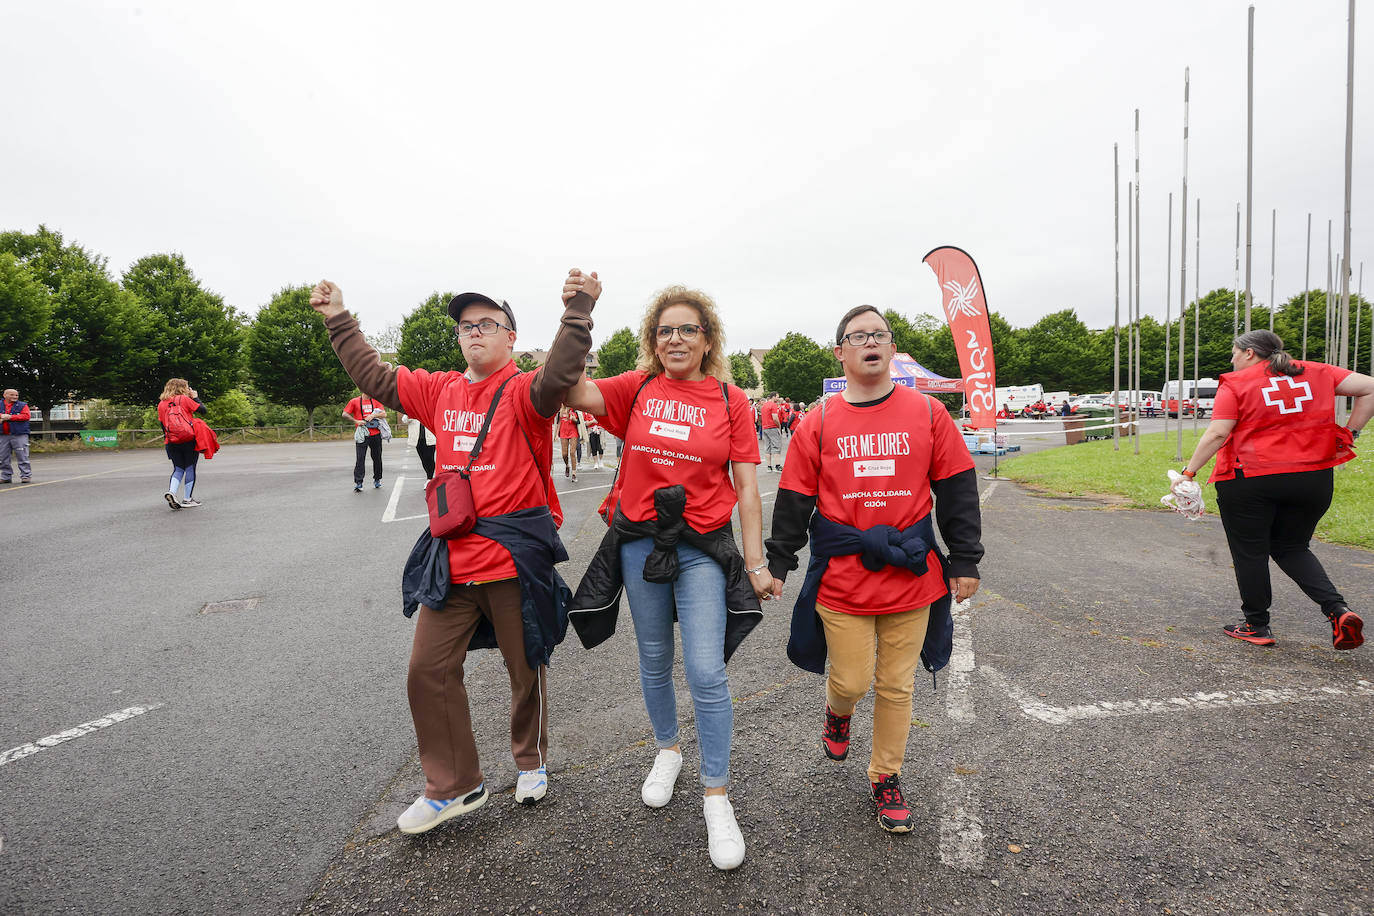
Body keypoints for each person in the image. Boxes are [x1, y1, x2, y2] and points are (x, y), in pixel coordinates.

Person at [309, 268, 599, 834]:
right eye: (466, 325)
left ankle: (530, 759)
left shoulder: (524, 391)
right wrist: (339, 320)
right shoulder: (440, 389)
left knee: (526, 665)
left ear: (511, 337)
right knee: (427, 670)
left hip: (513, 557)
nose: (474, 333)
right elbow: (374, 376)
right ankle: (454, 785)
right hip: (453, 559)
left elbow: (561, 370)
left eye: (488, 324)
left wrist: (578, 310)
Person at [564, 284, 772, 871]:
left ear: (709, 339)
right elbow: (570, 387)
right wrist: (578, 313)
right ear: (652, 342)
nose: (675, 338)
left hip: (703, 547)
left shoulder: (731, 400)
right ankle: (667, 750)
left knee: (706, 669)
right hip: (639, 543)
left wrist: (755, 564)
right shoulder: (638, 388)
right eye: (665, 331)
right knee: (653, 656)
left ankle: (717, 795)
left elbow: (750, 489)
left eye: (687, 329)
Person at [765, 305, 984, 833]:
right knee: (852, 679)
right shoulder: (817, 421)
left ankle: (886, 775)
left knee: (896, 686)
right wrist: (778, 562)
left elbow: (957, 488)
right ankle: (838, 711)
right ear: (841, 352)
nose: (870, 341)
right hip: (844, 576)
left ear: (891, 348)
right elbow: (794, 499)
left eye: (879, 334)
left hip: (912, 573)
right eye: (857, 335)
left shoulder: (929, 414)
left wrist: (965, 558)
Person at [1178, 329, 1374, 650]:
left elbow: (1217, 433)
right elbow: (1370, 388)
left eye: (1234, 352)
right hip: (1313, 477)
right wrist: (1351, 432)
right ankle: (1338, 610)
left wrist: (1189, 471)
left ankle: (1257, 624)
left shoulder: (1237, 383)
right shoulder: (1319, 372)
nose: (1232, 359)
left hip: (1251, 477)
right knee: (1292, 547)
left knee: (1251, 551)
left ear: (1250, 353)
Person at [157, 379, 208, 509]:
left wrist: (167, 442)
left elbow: (163, 425)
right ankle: (187, 499)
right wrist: (196, 398)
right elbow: (203, 410)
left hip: (172, 440)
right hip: (188, 439)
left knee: (178, 468)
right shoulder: (184, 400)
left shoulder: (161, 404)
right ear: (182, 388)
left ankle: (172, 492)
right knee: (190, 467)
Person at [344, 393, 388, 492]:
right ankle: (359, 483)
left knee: (377, 458)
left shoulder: (376, 400)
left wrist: (373, 415)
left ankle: (377, 479)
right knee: (360, 458)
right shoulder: (354, 401)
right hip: (362, 434)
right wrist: (356, 421)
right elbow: (345, 414)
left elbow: (384, 414)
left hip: (375, 434)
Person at [0, 388, 32, 484]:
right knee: (2, 457)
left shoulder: (23, 405)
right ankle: (6, 476)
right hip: (3, 435)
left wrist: (10, 417)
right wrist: (2, 416)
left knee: (22, 455)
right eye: (12, 395)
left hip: (19, 434)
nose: (15, 397)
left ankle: (25, 476)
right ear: (5, 395)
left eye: (16, 395)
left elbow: (26, 416)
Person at [405, 413, 437, 479]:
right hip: (418, 439)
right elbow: (405, 420)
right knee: (423, 459)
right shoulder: (413, 409)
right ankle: (430, 474)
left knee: (429, 457)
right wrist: (410, 414)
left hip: (430, 438)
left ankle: (429, 477)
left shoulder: (429, 409)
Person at [556, 406, 580, 481]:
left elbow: (579, 421)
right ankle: (567, 465)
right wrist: (556, 434)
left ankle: (574, 474)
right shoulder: (560, 411)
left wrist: (574, 419)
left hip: (573, 432)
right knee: (564, 454)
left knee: (572, 452)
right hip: (563, 433)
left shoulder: (574, 409)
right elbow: (558, 423)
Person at [760, 392, 783, 471]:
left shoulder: (764, 406)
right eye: (777, 397)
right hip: (772, 427)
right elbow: (775, 417)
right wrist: (779, 426)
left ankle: (769, 466)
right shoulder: (773, 405)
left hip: (765, 427)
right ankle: (777, 465)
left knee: (767, 447)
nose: (778, 398)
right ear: (773, 397)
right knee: (776, 446)